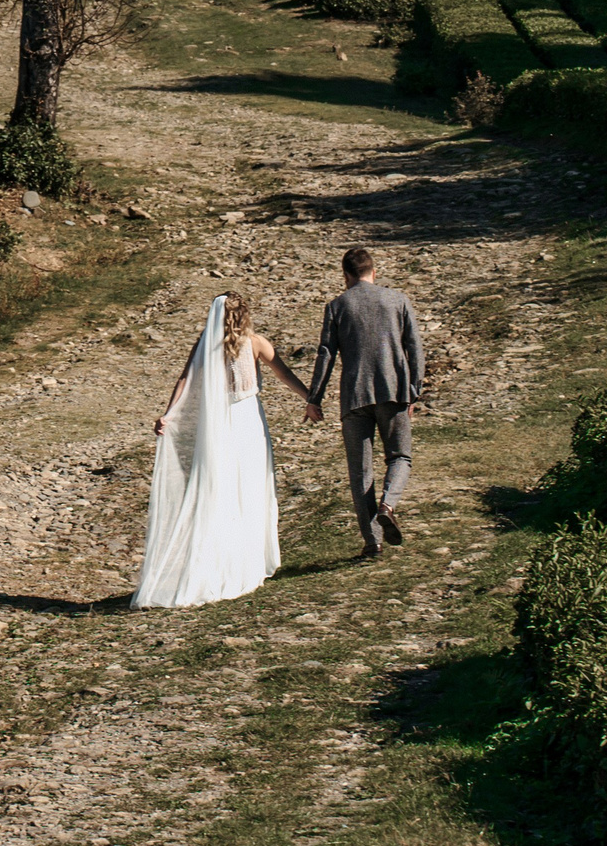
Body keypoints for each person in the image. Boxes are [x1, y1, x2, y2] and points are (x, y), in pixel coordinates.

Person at [133, 291, 306, 608]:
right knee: (252, 487)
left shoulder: (207, 347)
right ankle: (248, 559)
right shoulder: (255, 343)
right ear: (245, 314)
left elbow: (185, 378)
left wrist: (169, 414)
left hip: (219, 423)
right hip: (248, 421)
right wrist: (309, 397)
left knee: (221, 488)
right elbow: (283, 373)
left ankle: (221, 561)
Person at [302, 246, 425, 559]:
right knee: (400, 455)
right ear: (374, 270)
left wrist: (315, 397)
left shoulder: (337, 306)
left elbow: (326, 354)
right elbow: (415, 348)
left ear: (345, 275)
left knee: (360, 472)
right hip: (394, 390)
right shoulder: (398, 300)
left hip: (354, 397)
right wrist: (414, 389)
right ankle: (388, 504)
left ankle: (373, 542)